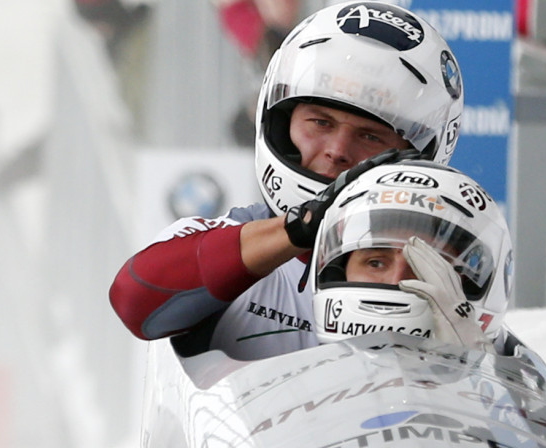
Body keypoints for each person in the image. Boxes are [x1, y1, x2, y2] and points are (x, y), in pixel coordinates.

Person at [109, 1, 464, 361]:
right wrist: (298, 230)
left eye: (370, 137)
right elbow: (133, 301)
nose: (337, 151)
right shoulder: (221, 237)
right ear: (279, 121)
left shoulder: (446, 274)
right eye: (320, 123)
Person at [310, 159, 523, 356]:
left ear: (467, 283)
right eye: (375, 263)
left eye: (422, 266)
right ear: (336, 270)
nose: (397, 281)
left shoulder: (519, 383)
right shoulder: (291, 351)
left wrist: (472, 363)